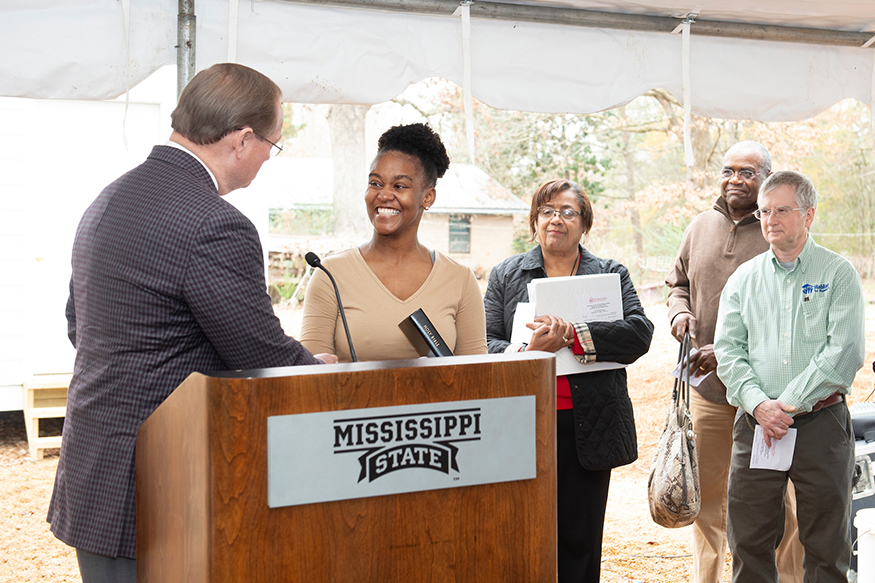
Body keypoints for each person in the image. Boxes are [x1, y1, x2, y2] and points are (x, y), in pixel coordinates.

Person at [50, 63, 336, 582]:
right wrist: (316, 369)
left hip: (95, 467)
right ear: (244, 140)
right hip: (156, 481)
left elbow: (79, 324)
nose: (269, 159)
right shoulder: (215, 222)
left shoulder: (108, 198)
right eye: (274, 145)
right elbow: (260, 354)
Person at [484, 178, 653, 583]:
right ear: (534, 221)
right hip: (524, 421)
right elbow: (484, 342)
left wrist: (575, 334)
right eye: (546, 211)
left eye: (567, 211)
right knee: (523, 532)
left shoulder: (610, 273)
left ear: (584, 223)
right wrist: (531, 354)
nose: (555, 219)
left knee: (580, 538)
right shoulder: (506, 275)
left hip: (587, 425)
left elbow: (639, 333)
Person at [714, 170, 864, 582]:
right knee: (749, 540)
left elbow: (846, 351)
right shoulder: (744, 279)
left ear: (809, 214)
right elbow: (727, 351)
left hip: (821, 423)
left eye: (782, 210)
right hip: (756, 425)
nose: (770, 219)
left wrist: (787, 403)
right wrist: (761, 405)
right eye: (765, 211)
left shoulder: (838, 273)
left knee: (826, 544)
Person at [666, 142, 804, 583]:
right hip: (708, 392)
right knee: (708, 500)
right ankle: (706, 578)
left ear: (767, 178)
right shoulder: (700, 225)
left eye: (748, 172)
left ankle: (790, 577)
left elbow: (788, 310)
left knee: (781, 498)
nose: (735, 179)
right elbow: (677, 282)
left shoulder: (777, 231)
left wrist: (726, 352)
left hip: (766, 396)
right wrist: (679, 312)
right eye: (729, 170)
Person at [300, 123, 486, 361]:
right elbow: (308, 372)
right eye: (375, 183)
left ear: (427, 197)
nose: (384, 194)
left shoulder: (459, 279)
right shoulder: (330, 274)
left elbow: (476, 378)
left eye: (399, 186)